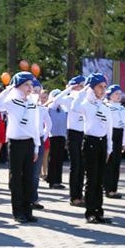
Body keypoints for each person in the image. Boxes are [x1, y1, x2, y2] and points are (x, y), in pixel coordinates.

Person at [0, 72, 40, 223]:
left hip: (30, 142)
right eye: (26, 84)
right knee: (16, 178)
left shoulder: (32, 101)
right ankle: (17, 211)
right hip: (16, 143)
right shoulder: (11, 101)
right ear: (18, 86)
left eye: (31, 85)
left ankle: (28, 210)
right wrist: (8, 89)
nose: (30, 88)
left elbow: (36, 124)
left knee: (29, 178)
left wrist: (37, 146)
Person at [72, 74, 112, 224]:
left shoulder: (105, 106)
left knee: (100, 180)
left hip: (102, 143)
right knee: (92, 178)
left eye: (104, 87)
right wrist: (85, 90)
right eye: (99, 86)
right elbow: (74, 107)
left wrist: (109, 148)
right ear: (92, 88)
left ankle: (99, 211)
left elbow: (109, 129)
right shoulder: (86, 104)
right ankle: (90, 212)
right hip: (90, 142)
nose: (102, 90)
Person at [52, 76, 86, 206]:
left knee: (82, 166)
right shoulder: (70, 98)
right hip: (73, 133)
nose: (83, 87)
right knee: (75, 165)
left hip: (85, 132)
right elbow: (56, 99)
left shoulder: (85, 98)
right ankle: (74, 196)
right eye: (81, 85)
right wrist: (69, 89)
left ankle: (80, 194)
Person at [104, 84, 125, 199]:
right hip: (110, 133)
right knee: (110, 162)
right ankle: (108, 189)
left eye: (120, 94)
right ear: (110, 95)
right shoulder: (106, 106)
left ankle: (114, 188)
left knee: (117, 163)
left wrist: (124, 142)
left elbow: (124, 126)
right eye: (116, 94)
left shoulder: (122, 108)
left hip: (119, 134)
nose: (119, 96)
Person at [30, 81, 50, 209]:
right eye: (34, 89)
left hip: (39, 141)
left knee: (36, 172)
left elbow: (49, 125)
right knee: (25, 172)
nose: (36, 92)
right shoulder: (24, 106)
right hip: (26, 141)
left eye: (38, 90)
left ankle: (34, 198)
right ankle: (24, 198)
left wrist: (43, 135)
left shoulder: (42, 108)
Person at [46, 89, 67, 189]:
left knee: (59, 159)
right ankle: (52, 181)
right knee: (53, 159)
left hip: (62, 136)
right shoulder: (50, 108)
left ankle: (58, 181)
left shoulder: (63, 109)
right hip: (53, 136)